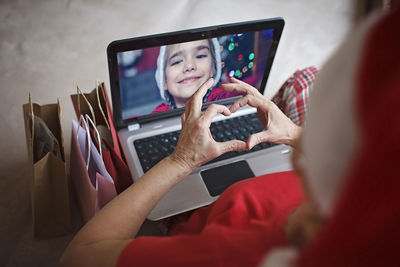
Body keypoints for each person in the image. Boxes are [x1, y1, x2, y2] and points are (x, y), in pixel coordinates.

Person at [61, 1, 400, 266]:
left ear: (217, 67)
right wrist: (297, 134)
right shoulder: (376, 197)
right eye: (176, 61)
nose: (190, 65)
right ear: (162, 81)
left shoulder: (230, 254)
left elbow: (79, 258)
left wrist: (181, 159)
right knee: (306, 78)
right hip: (275, 175)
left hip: (211, 206)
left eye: (201, 54)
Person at [152, 38, 240, 113]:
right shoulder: (158, 115)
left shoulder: (225, 100)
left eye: (200, 56)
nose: (189, 66)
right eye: (177, 62)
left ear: (213, 68)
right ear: (164, 81)